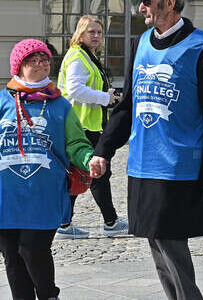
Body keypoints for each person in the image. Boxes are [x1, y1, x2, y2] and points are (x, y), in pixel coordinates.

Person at [90, 0, 203, 300]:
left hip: (179, 164)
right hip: (143, 162)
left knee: (169, 240)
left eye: (146, 0)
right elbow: (127, 106)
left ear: (169, 3)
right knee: (155, 239)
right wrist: (103, 150)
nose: (140, 7)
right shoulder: (141, 44)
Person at [0, 39, 95, 300]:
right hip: (5, 197)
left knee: (33, 250)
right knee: (11, 256)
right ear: (19, 66)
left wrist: (90, 159)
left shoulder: (60, 105)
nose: (42, 64)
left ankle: (48, 295)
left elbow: (76, 143)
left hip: (45, 194)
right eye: (35, 60)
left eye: (45, 60)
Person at [57, 15, 128, 239]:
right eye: (91, 32)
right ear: (81, 33)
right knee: (95, 173)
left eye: (99, 32)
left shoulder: (86, 55)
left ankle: (66, 222)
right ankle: (109, 222)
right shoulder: (78, 56)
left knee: (84, 174)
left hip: (86, 125)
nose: (96, 36)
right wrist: (106, 98)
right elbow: (75, 90)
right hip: (81, 127)